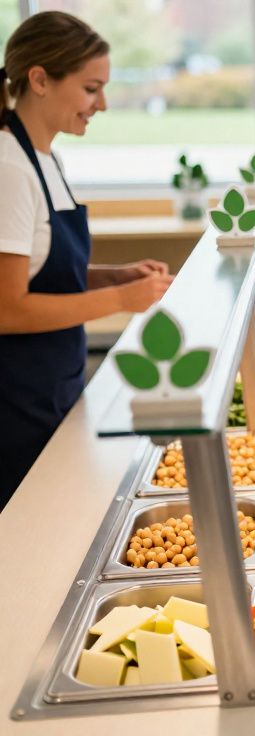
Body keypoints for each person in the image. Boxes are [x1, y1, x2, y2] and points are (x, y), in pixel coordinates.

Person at [0, 11, 173, 509]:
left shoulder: (47, 159)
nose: (102, 104)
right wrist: (118, 299)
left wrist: (113, 276)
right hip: (17, 406)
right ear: (39, 79)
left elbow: (42, 273)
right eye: (91, 88)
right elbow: (9, 308)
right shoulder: (11, 168)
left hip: (55, 388)